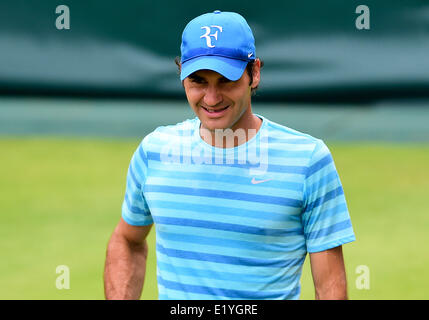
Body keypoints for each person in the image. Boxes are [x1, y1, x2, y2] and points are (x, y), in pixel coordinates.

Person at [104, 10, 355, 300]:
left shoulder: (309, 160)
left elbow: (329, 288)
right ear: (181, 75)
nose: (211, 98)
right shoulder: (153, 151)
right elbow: (127, 239)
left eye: (226, 80)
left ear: (255, 73)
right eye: (198, 81)